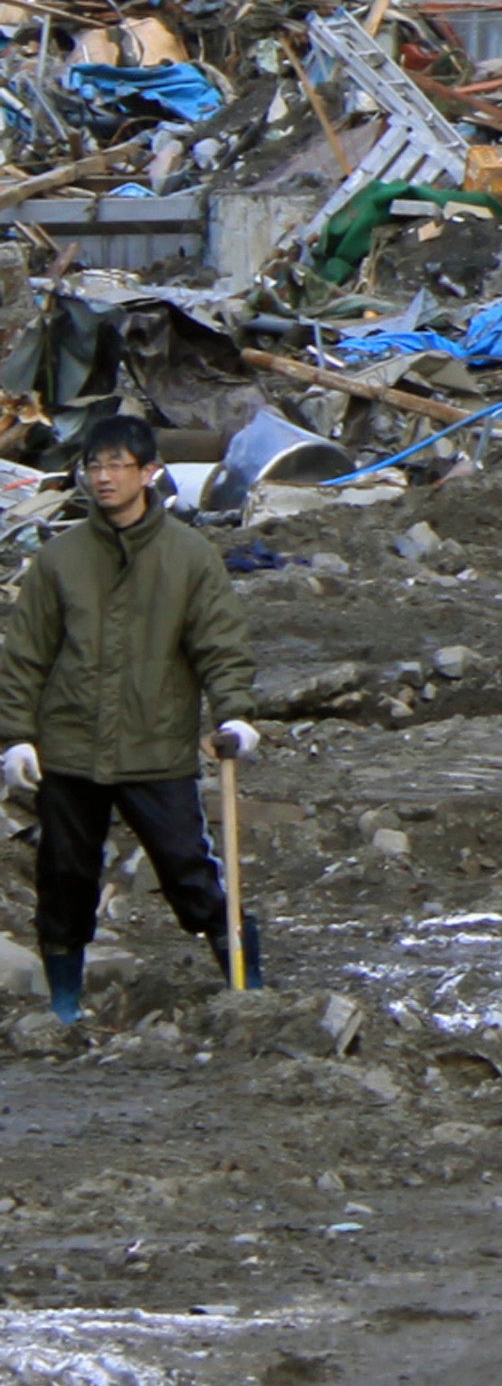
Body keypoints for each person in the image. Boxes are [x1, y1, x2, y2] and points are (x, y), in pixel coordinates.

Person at [0, 412, 261, 1022]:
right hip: (70, 749)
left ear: (149, 473)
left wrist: (236, 715)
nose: (103, 477)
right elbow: (25, 655)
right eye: (94, 465)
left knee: (189, 871)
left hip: (156, 747)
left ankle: (248, 987)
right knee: (64, 880)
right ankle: (65, 1006)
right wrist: (16, 738)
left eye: (118, 465)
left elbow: (220, 644)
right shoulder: (60, 559)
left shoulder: (188, 557)